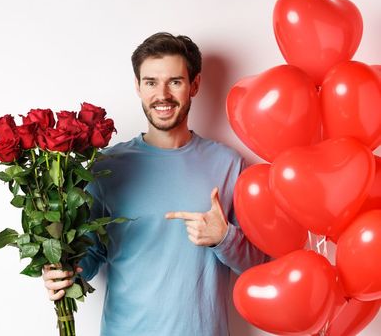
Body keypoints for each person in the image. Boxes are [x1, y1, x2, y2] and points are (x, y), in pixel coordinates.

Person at [42, 32, 269, 335]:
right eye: (151, 82)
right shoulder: (106, 166)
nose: (162, 94)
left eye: (175, 81)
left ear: (195, 85)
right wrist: (65, 273)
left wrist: (223, 237)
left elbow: (260, 265)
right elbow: (93, 253)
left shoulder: (228, 164)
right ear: (138, 87)